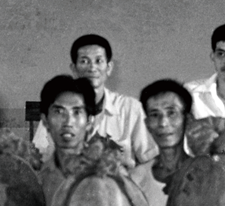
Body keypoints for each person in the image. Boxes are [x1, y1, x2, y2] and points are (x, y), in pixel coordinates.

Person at [32, 34, 155, 169]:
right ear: (74, 69)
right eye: (84, 61)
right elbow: (39, 159)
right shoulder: (57, 109)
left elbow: (151, 160)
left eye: (98, 61)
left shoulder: (131, 108)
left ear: (109, 68)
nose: (92, 68)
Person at [37, 74, 97, 206]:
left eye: (77, 112)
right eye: (59, 112)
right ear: (45, 120)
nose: (68, 122)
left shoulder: (105, 173)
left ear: (89, 121)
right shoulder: (38, 179)